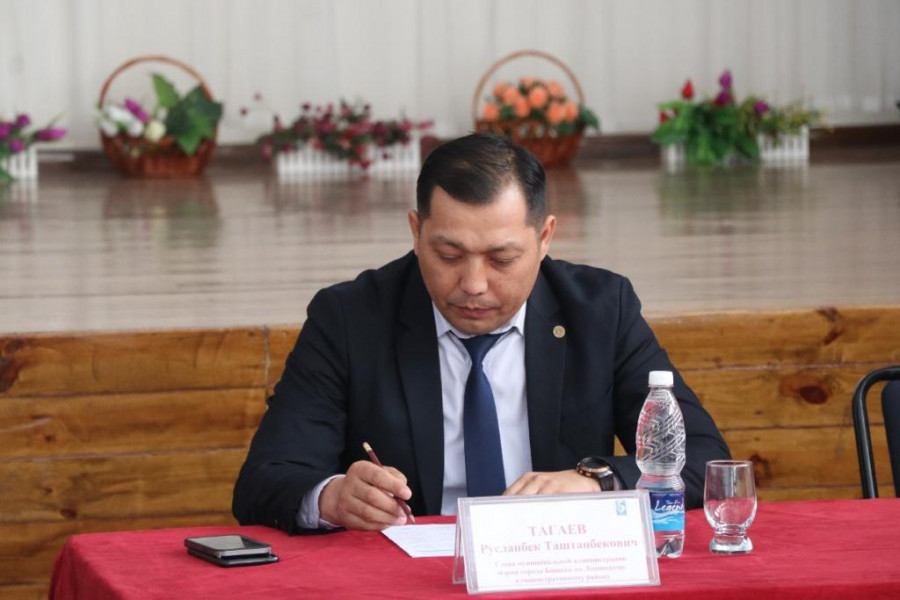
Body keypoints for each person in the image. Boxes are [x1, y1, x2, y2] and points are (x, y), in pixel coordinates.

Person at [232, 133, 730, 534]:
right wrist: (332, 496)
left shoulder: (600, 311)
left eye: (501, 259)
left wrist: (597, 481)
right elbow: (264, 480)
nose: (473, 284)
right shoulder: (350, 318)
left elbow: (703, 460)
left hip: (554, 568)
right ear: (416, 232)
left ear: (544, 238)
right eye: (448, 255)